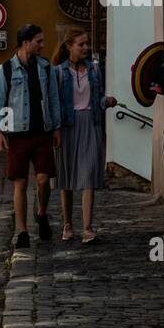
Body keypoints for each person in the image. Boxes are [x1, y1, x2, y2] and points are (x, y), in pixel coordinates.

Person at [0, 23, 61, 249]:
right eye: (38, 41)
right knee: (19, 183)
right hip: (18, 135)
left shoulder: (45, 68)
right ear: (26, 42)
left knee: (43, 179)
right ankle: (22, 231)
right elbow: (0, 102)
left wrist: (56, 128)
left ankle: (41, 213)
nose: (42, 45)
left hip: (42, 132)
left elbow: (53, 99)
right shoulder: (6, 70)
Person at [53, 29, 116, 244]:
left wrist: (106, 101)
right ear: (69, 46)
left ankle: (87, 228)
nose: (86, 48)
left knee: (88, 174)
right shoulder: (59, 72)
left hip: (91, 124)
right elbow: (55, 104)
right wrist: (55, 129)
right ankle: (68, 224)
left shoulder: (95, 70)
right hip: (67, 126)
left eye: (87, 44)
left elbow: (97, 98)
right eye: (81, 44)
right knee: (67, 177)